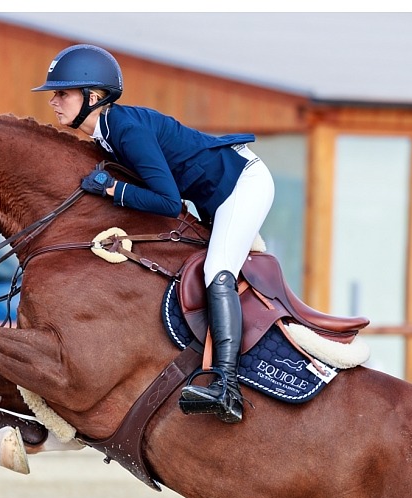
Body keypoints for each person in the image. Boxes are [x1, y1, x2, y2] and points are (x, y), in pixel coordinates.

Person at [32, 44, 275, 424]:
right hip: (214, 195)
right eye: (55, 94)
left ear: (93, 97)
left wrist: (111, 190)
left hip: (242, 184)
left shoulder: (126, 130)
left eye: (62, 93)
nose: (54, 101)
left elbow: (165, 202)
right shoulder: (107, 135)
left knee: (217, 272)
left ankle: (226, 386)